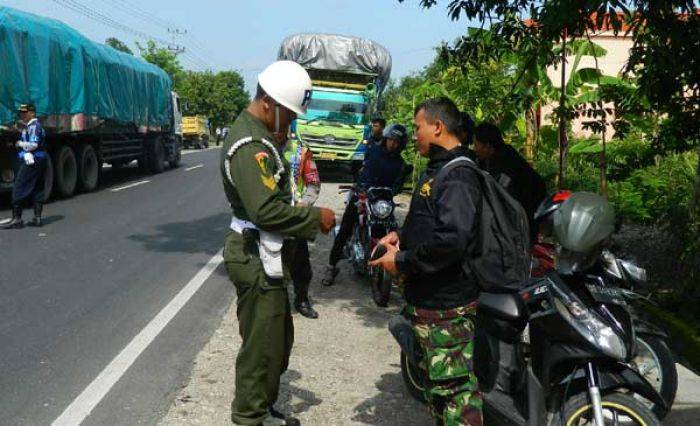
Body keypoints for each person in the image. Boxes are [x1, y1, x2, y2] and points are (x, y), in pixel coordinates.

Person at [220, 60, 336, 426]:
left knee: (276, 339)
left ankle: (262, 409)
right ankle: (250, 418)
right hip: (254, 253)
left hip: (266, 252)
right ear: (268, 102)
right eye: (289, 115)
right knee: (261, 346)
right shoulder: (249, 144)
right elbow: (267, 211)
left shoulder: (263, 136)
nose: (291, 123)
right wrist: (314, 219)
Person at [370, 97, 484, 425]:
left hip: (448, 306)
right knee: (437, 390)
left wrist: (402, 261)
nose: (414, 134)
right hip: (429, 303)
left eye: (418, 127)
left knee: (456, 395)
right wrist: (401, 238)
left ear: (437, 127)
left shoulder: (459, 174)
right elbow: (432, 222)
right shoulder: (440, 167)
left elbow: (452, 240)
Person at [321, 123, 408, 287]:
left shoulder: (400, 164)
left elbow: (398, 185)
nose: (393, 144)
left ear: (402, 144)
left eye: (397, 141)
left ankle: (397, 267)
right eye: (391, 140)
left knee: (395, 230)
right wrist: (359, 185)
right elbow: (358, 167)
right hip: (362, 195)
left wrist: (394, 190)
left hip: (382, 201)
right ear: (386, 138)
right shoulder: (372, 150)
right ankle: (331, 267)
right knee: (345, 228)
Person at [472, 122, 546, 241]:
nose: (474, 149)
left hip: (524, 220)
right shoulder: (488, 160)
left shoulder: (507, 165)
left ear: (488, 146)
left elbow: (501, 200)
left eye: (476, 145)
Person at [284, 135, 322, 319]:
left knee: (301, 265)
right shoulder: (260, 145)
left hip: (295, 217)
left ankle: (301, 300)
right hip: (269, 218)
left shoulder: (301, 150)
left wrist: (304, 204)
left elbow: (313, 182)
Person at [2, 104, 48, 229]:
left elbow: (33, 145)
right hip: (40, 159)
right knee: (38, 187)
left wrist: (20, 143)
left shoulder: (34, 126)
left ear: (32, 113)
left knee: (19, 186)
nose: (22, 114)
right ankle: (37, 218)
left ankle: (17, 218)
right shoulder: (29, 126)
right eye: (21, 112)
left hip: (33, 159)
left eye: (25, 112)